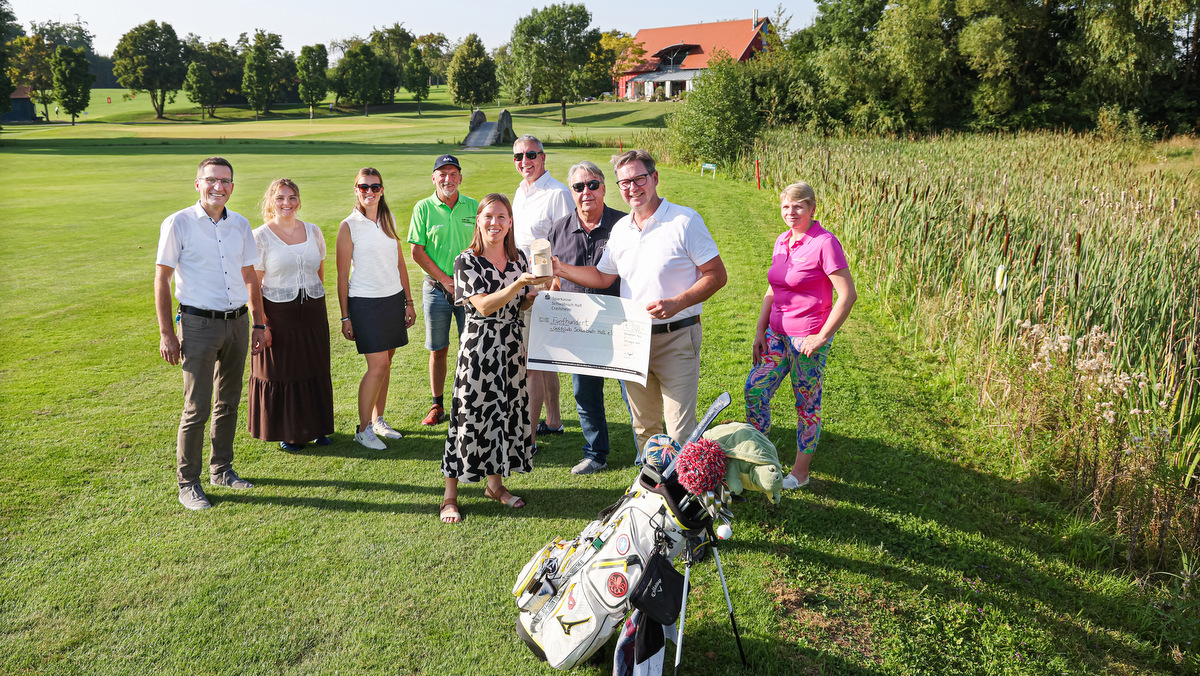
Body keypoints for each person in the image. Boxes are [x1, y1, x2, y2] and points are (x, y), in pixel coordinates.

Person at [554, 149, 727, 454]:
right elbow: (603, 277)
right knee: (645, 427)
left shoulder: (684, 220)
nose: (632, 188)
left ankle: (684, 496)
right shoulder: (621, 230)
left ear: (654, 178)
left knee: (680, 429)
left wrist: (678, 301)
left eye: (639, 179)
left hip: (676, 337)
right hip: (633, 341)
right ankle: (653, 493)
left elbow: (716, 274)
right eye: (625, 182)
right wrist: (559, 268)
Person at [155, 157, 267, 510]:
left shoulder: (241, 225)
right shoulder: (179, 223)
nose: (218, 187)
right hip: (197, 325)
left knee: (228, 402)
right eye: (211, 180)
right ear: (198, 183)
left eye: (225, 181)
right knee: (196, 407)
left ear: (232, 186)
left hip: (237, 322)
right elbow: (162, 279)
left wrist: (259, 322)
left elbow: (250, 277)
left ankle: (222, 469)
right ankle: (188, 483)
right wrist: (166, 334)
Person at [439, 193, 546, 524]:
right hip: (479, 350)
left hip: (512, 347)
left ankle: (495, 487)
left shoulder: (519, 260)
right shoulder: (466, 261)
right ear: (478, 221)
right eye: (488, 217)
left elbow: (519, 304)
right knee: (468, 418)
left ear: (510, 222)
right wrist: (520, 284)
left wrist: (531, 294)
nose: (494, 223)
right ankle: (449, 497)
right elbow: (484, 306)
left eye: (502, 217)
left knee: (505, 416)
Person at [745, 182, 856, 489]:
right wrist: (759, 329)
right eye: (785, 206)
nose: (791, 212)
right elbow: (773, 288)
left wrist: (822, 336)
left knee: (806, 405)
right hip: (776, 334)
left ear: (812, 209)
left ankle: (800, 473)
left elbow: (847, 295)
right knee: (755, 391)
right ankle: (760, 458)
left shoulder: (825, 243)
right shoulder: (782, 240)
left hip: (807, 341)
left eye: (798, 206)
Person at [545, 160, 628, 475]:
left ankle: (647, 456)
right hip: (579, 331)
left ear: (604, 188)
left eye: (593, 184)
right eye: (579, 187)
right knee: (585, 394)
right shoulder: (558, 230)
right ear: (571, 192)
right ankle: (595, 454)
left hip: (620, 325)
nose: (586, 192)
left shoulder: (625, 225)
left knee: (633, 394)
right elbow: (554, 282)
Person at [248, 178, 335, 451]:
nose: (287, 203)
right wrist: (261, 324)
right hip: (277, 313)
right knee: (285, 372)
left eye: (292, 197)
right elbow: (254, 284)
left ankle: (317, 428)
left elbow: (318, 274)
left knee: (314, 368)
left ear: (299, 200)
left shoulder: (313, 231)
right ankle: (289, 432)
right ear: (271, 201)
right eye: (281, 198)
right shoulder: (260, 236)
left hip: (312, 311)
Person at [335, 168, 416, 450]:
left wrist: (408, 301)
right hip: (365, 303)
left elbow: (400, 263)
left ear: (382, 190)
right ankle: (362, 428)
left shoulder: (388, 219)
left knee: (387, 362)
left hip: (392, 299)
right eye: (363, 187)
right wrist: (345, 316)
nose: (369, 192)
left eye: (375, 187)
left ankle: (378, 419)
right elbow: (342, 274)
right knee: (378, 365)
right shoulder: (349, 226)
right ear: (356, 189)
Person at [408, 154, 478, 427]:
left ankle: (467, 402)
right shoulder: (423, 208)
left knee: (470, 347)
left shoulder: (474, 206)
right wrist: (446, 280)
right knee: (438, 349)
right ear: (434, 178)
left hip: (470, 289)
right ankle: (437, 403)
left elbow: (483, 243)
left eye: (453, 174)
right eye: (442, 174)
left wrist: (461, 279)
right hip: (436, 289)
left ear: (460, 178)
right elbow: (417, 251)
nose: (447, 179)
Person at [512, 134, 573, 446]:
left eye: (531, 155)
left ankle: (529, 437)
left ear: (543, 157)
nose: (525, 161)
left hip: (546, 286)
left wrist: (555, 286)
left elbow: (566, 243)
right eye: (519, 156)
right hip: (523, 284)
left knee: (532, 361)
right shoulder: (520, 192)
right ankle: (554, 420)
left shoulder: (557, 193)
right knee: (543, 357)